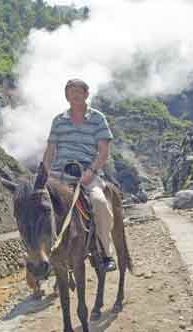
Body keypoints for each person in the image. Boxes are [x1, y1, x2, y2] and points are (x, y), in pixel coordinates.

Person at [42, 78, 116, 272]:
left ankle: (105, 253)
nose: (74, 95)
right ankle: (43, 255)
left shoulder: (98, 118)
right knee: (39, 206)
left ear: (86, 94)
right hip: (59, 174)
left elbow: (103, 151)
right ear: (66, 96)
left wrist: (91, 172)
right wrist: (45, 175)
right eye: (70, 92)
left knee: (99, 203)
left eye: (78, 91)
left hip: (87, 173)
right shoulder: (58, 120)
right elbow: (50, 151)